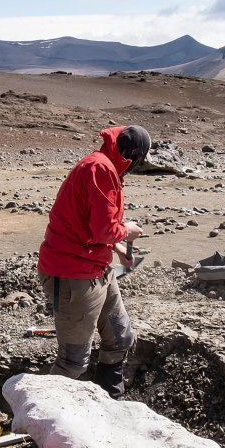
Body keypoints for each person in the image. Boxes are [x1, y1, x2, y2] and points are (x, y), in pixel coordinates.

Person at [37, 125, 151, 399]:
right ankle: (43, 419)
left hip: (96, 268)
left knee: (120, 337)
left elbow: (89, 223)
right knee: (72, 363)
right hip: (73, 273)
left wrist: (118, 246)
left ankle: (109, 400)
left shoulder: (104, 165)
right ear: (132, 156)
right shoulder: (100, 169)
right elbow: (103, 229)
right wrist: (127, 230)